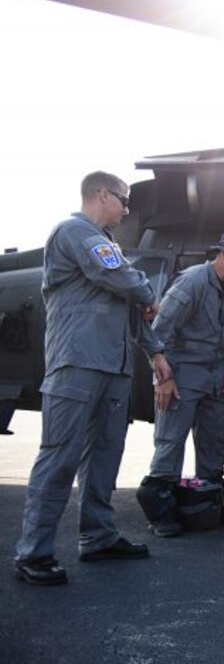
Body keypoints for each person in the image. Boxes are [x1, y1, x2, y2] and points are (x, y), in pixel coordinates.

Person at [13, 171, 170, 586]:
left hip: (113, 368)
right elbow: (118, 279)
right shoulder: (76, 233)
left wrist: (154, 351)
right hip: (77, 364)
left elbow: (129, 305)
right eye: (123, 200)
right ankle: (33, 553)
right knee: (59, 458)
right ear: (101, 194)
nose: (126, 209)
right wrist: (146, 292)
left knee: (104, 456)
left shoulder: (108, 246)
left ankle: (97, 536)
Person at [137, 231, 224, 537]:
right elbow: (159, 331)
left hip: (217, 376)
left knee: (215, 439)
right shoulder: (192, 282)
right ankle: (161, 512)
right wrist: (163, 379)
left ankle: (208, 503)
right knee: (171, 440)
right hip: (184, 372)